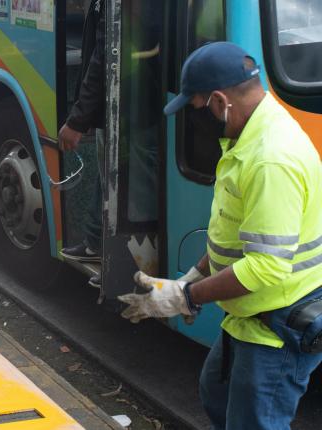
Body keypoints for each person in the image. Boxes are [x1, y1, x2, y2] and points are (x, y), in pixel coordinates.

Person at [118, 42, 322, 430]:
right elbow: (237, 234)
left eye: (194, 108)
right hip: (250, 314)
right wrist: (191, 280)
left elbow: (265, 267)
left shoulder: (270, 159)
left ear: (218, 101)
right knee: (216, 392)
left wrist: (188, 297)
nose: (194, 119)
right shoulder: (246, 138)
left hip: (278, 328)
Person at [58, 0, 105, 285]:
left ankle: (117, 258)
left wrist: (77, 120)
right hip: (114, 105)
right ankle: (96, 243)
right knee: (105, 173)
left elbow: (102, 59)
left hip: (130, 107)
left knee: (120, 177)